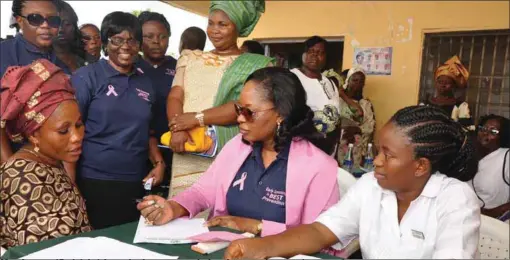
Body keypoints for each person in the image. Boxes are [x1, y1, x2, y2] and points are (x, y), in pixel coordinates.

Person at [225, 105, 481, 259]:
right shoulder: (371, 185)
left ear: (420, 166)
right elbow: (320, 231)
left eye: (388, 155)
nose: (376, 162)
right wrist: (260, 248)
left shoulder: (455, 199)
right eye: (378, 151)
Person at [138, 68, 339, 250]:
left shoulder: (319, 167)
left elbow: (318, 236)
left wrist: (256, 226)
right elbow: (202, 192)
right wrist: (173, 207)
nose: (240, 118)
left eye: (248, 112)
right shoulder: (238, 146)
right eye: (238, 110)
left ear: (281, 114)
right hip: (224, 251)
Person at [166, 0, 273, 197]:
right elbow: (175, 95)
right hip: (185, 145)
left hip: (226, 149)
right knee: (181, 210)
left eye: (223, 24)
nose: (214, 30)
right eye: (211, 23)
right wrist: (177, 128)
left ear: (238, 27)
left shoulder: (255, 65)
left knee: (219, 212)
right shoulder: (190, 57)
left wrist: (196, 118)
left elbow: (244, 107)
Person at [70, 11, 165, 230]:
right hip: (93, 179)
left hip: (135, 180)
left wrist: (159, 162)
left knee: (128, 240)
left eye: (132, 40)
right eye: (117, 40)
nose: (126, 46)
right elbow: (70, 132)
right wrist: (71, 185)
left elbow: (147, 130)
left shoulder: (146, 83)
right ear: (105, 43)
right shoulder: (88, 77)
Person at [0, 59, 91, 248]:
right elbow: (43, 252)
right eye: (63, 131)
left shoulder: (50, 162)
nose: (77, 137)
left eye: (79, 125)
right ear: (34, 135)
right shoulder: (24, 176)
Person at [1, 0, 70, 164]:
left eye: (53, 20)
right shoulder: (4, 55)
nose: (45, 25)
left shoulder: (62, 65)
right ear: (19, 20)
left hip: (52, 163)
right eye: (35, 18)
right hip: (14, 164)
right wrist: (11, 171)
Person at [136, 11, 177, 197]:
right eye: (149, 36)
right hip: (138, 150)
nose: (156, 41)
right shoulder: (131, 66)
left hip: (173, 147)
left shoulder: (178, 67)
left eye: (162, 37)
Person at [290, 36, 340, 155]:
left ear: (326, 57)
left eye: (319, 53)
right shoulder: (292, 78)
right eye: (310, 51)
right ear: (303, 54)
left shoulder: (330, 83)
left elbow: (336, 112)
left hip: (328, 148)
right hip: (301, 148)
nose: (314, 55)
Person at [469, 114, 510, 220]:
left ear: (503, 136)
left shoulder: (506, 156)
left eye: (493, 132)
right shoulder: (469, 153)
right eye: (483, 128)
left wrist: (497, 211)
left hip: (493, 222)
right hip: (467, 217)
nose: (485, 133)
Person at [337, 67, 375, 169]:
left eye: (361, 81)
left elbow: (369, 128)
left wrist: (355, 131)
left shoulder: (365, 104)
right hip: (337, 147)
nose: (358, 83)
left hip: (357, 149)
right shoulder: (337, 101)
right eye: (354, 80)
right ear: (347, 81)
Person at [421, 55, 473, 129]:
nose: (443, 85)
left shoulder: (461, 107)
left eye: (447, 83)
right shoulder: (425, 104)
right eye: (440, 82)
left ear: (454, 86)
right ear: (435, 83)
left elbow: (467, 130)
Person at [53, 0, 87, 72]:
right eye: (56, 23)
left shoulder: (85, 62)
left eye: (67, 24)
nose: (61, 29)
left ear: (75, 28)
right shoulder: (39, 62)